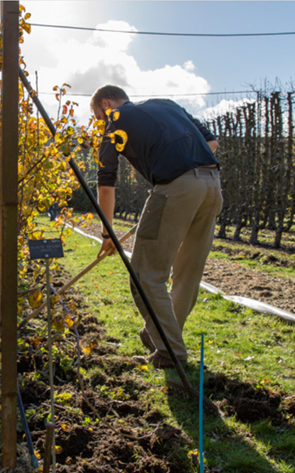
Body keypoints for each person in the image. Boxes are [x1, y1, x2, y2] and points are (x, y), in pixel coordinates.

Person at [91, 85, 221, 370]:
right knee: (188, 273)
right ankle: (158, 336)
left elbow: (106, 181)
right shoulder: (167, 104)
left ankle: (170, 351)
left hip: (175, 188)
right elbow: (211, 143)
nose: (102, 123)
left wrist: (107, 233)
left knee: (145, 274)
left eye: (99, 116)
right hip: (212, 187)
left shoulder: (115, 119)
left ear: (106, 103)